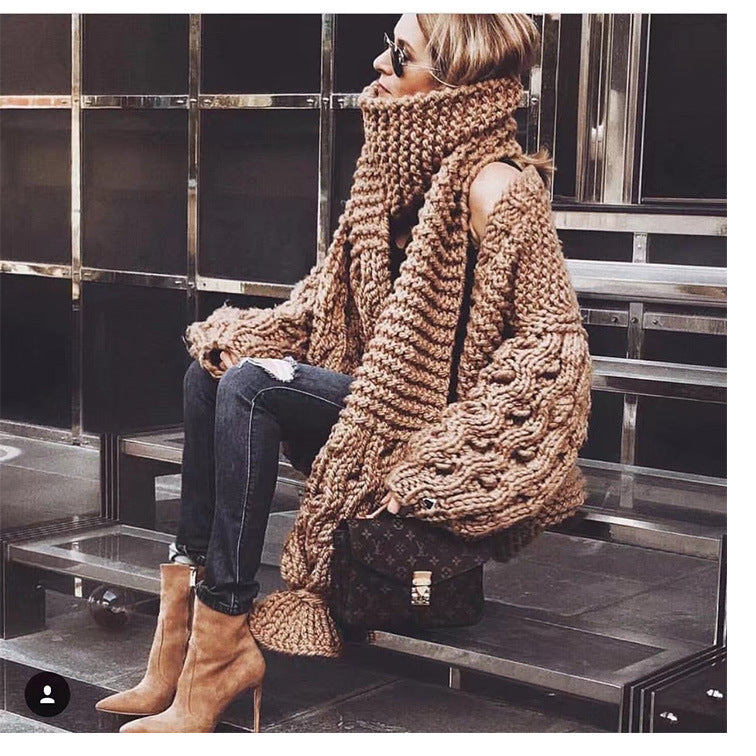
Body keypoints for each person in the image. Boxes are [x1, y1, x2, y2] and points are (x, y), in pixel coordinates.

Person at [96, 13, 592, 733]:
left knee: (251, 386)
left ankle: (223, 639)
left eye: (401, 54)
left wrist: (456, 447)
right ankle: (179, 645)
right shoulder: (388, 172)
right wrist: (245, 337)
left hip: (430, 426)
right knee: (213, 370)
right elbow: (323, 303)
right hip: (371, 401)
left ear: (454, 79)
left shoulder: (498, 187)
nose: (380, 64)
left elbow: (554, 346)